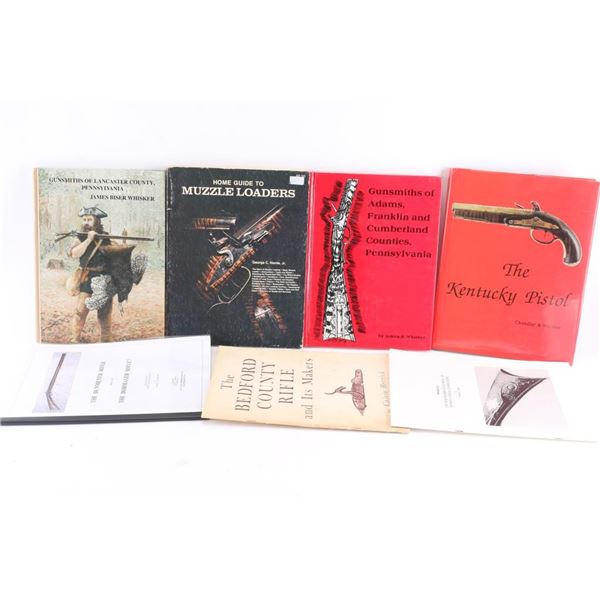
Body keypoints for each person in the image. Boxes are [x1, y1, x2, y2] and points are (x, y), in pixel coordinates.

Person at [68, 207, 113, 342]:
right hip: (87, 278)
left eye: (89, 219)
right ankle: (74, 340)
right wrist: (88, 240)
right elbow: (74, 254)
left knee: (104, 314)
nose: (86, 222)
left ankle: (106, 342)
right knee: (80, 311)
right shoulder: (81, 237)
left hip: (104, 278)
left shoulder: (105, 237)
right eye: (84, 219)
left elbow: (112, 256)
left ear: (97, 221)